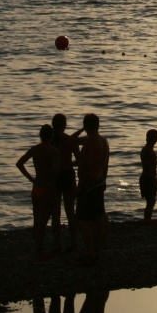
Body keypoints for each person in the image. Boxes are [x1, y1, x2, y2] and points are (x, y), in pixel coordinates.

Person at [16, 123, 61, 261]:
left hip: (37, 188)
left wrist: (31, 179)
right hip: (48, 189)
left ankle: (38, 250)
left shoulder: (35, 149)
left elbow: (19, 163)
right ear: (51, 136)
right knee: (44, 222)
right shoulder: (53, 151)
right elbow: (56, 171)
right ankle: (40, 252)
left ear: (40, 136)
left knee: (37, 220)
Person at [75, 113, 109, 263]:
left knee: (81, 220)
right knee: (98, 216)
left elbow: (86, 168)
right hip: (100, 180)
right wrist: (104, 180)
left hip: (90, 183)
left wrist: (79, 187)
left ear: (85, 126)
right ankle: (98, 249)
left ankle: (91, 253)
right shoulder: (103, 140)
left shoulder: (89, 143)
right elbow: (105, 165)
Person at [51, 113, 80, 251]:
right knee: (70, 211)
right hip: (68, 174)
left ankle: (56, 244)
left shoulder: (50, 141)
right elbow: (79, 160)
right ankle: (73, 242)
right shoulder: (70, 140)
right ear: (65, 125)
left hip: (54, 176)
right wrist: (69, 163)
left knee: (55, 212)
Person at [139, 128, 157, 222]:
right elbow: (149, 170)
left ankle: (147, 219)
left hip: (146, 177)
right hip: (148, 178)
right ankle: (147, 220)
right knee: (151, 201)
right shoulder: (149, 151)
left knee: (150, 201)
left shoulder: (145, 149)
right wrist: (155, 182)